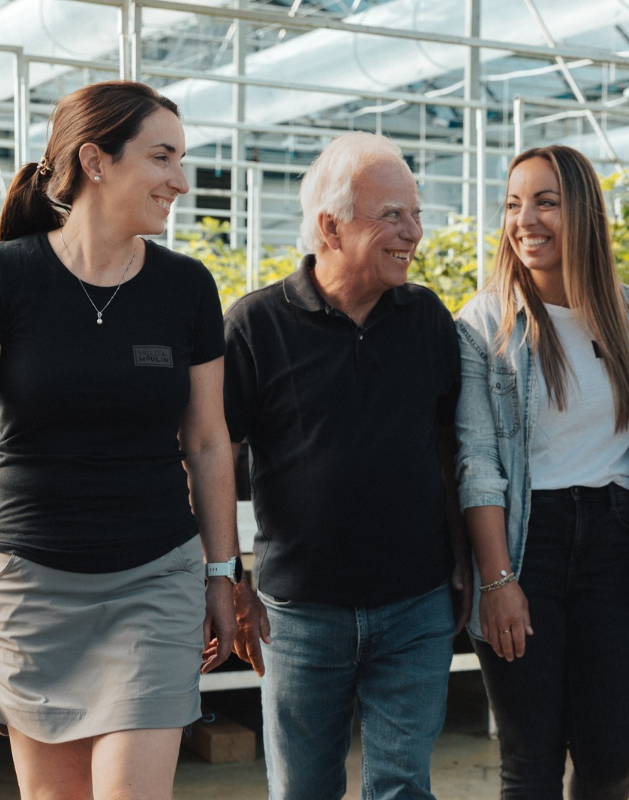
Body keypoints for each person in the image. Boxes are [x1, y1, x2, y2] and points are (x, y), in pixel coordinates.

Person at [0, 80, 239, 800]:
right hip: (30, 585)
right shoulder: (0, 277)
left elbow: (210, 442)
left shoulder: (186, 287)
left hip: (156, 579)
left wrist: (222, 572)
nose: (180, 182)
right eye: (162, 158)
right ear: (96, 161)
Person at [222, 132, 469, 800]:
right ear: (329, 227)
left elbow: (450, 446)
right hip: (298, 614)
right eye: (392, 215)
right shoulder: (255, 327)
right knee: (303, 791)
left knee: (401, 787)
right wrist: (229, 578)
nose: (412, 232)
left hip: (415, 604)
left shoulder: (426, 320)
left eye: (414, 214)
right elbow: (211, 459)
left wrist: (462, 558)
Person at [454, 145, 629, 800]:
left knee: (614, 756)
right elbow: (477, 461)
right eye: (514, 203)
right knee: (531, 761)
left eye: (546, 201)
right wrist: (497, 579)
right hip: (525, 543)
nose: (525, 219)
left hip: (616, 542)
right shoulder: (484, 325)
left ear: (584, 214)